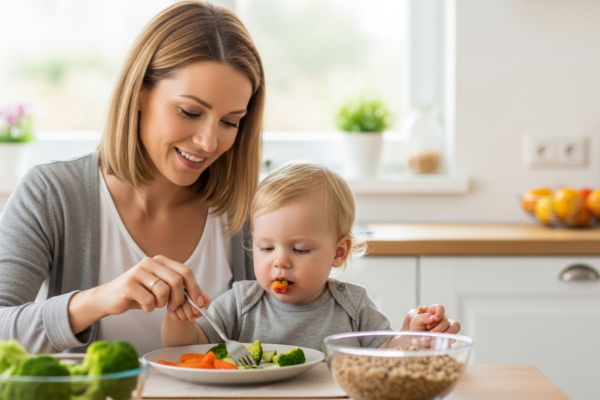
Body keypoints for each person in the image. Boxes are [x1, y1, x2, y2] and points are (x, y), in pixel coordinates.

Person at [0, 0, 265, 356]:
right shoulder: (52, 193)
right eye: (189, 112)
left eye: (230, 121)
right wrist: (100, 299)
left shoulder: (248, 210)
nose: (208, 141)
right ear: (140, 93)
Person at [161, 162, 460, 351]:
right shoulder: (241, 302)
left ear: (338, 252)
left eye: (300, 249)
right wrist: (180, 322)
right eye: (266, 248)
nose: (280, 261)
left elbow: (386, 351)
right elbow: (187, 348)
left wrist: (411, 334)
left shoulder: (352, 305)